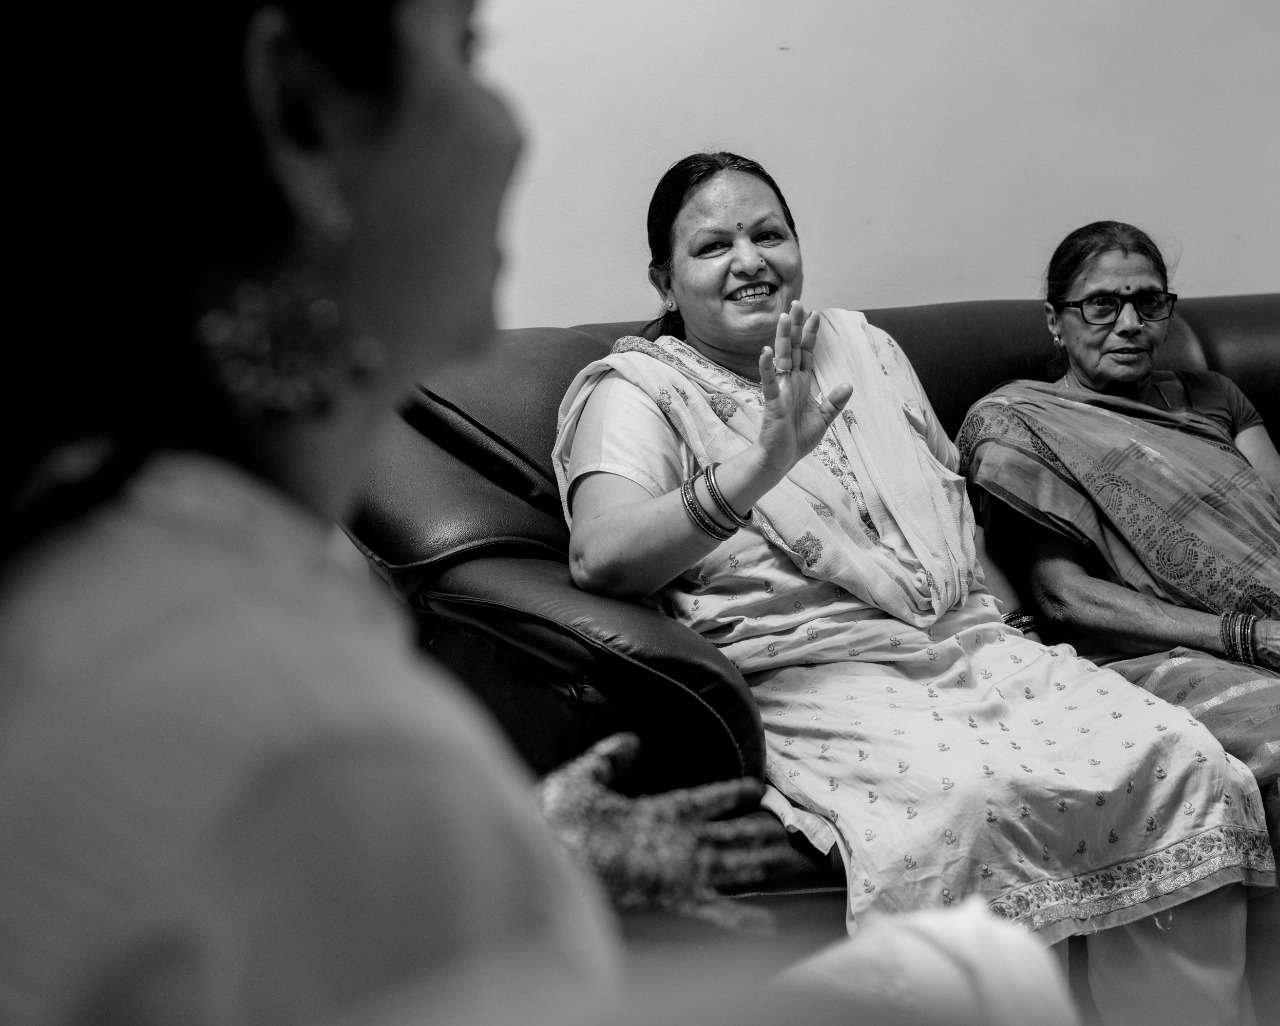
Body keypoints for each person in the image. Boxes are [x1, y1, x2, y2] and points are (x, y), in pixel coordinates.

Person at [0, 6, 1085, 1026]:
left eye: (770, 234)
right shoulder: (301, 729)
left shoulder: (176, 566)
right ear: (298, 111)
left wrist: (533, 849)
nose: (512, 131)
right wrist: (969, 984)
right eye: (467, 48)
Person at [552, 151, 1276, 1026]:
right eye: (713, 246)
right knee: (969, 804)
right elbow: (602, 558)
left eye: (769, 234)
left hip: (973, 645)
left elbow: (947, 502)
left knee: (1181, 761)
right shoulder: (639, 390)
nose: (749, 260)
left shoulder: (863, 348)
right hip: (819, 674)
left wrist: (1020, 636)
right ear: (665, 281)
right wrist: (760, 465)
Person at [956, 221, 1279, 853]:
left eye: (1148, 302)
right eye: (1102, 304)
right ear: (1055, 321)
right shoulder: (1019, 426)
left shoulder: (1214, 397)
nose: (1129, 323)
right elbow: (1063, 597)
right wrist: (1246, 636)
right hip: (1152, 653)